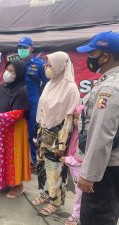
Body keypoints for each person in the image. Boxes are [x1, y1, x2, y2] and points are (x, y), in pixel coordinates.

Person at [76, 31, 119, 225]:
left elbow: (101, 133)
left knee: (96, 218)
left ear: (105, 56)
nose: (88, 58)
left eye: (92, 54)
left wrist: (89, 174)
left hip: (105, 168)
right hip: (111, 165)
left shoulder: (109, 88)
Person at [32, 51, 80, 216]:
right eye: (46, 64)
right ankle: (47, 194)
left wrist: (61, 144)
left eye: (49, 64)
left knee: (55, 170)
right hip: (43, 133)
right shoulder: (50, 83)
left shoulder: (71, 88)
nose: (46, 67)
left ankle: (56, 202)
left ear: (61, 66)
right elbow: (42, 110)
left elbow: (68, 119)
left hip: (57, 136)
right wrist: (37, 134)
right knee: (43, 167)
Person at [0, 59, 31, 198]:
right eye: (7, 69)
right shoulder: (3, 86)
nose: (7, 73)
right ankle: (4, 181)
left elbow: (19, 113)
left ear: (19, 74)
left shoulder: (22, 91)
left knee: (14, 157)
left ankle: (18, 186)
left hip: (15, 129)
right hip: (1, 127)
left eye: (11, 71)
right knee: (1, 155)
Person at [17, 37, 48, 167]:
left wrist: (39, 96)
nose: (21, 50)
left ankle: (34, 160)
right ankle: (20, 158)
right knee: (18, 130)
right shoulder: (16, 64)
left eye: (24, 47)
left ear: (31, 49)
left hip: (33, 102)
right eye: (19, 47)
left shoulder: (39, 64)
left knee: (31, 132)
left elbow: (46, 83)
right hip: (18, 101)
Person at [60, 105, 84, 225]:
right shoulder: (76, 131)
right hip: (73, 168)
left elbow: (81, 159)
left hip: (79, 169)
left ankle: (76, 216)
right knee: (78, 192)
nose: (75, 121)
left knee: (79, 194)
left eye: (78, 118)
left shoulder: (84, 135)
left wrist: (67, 159)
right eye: (74, 118)